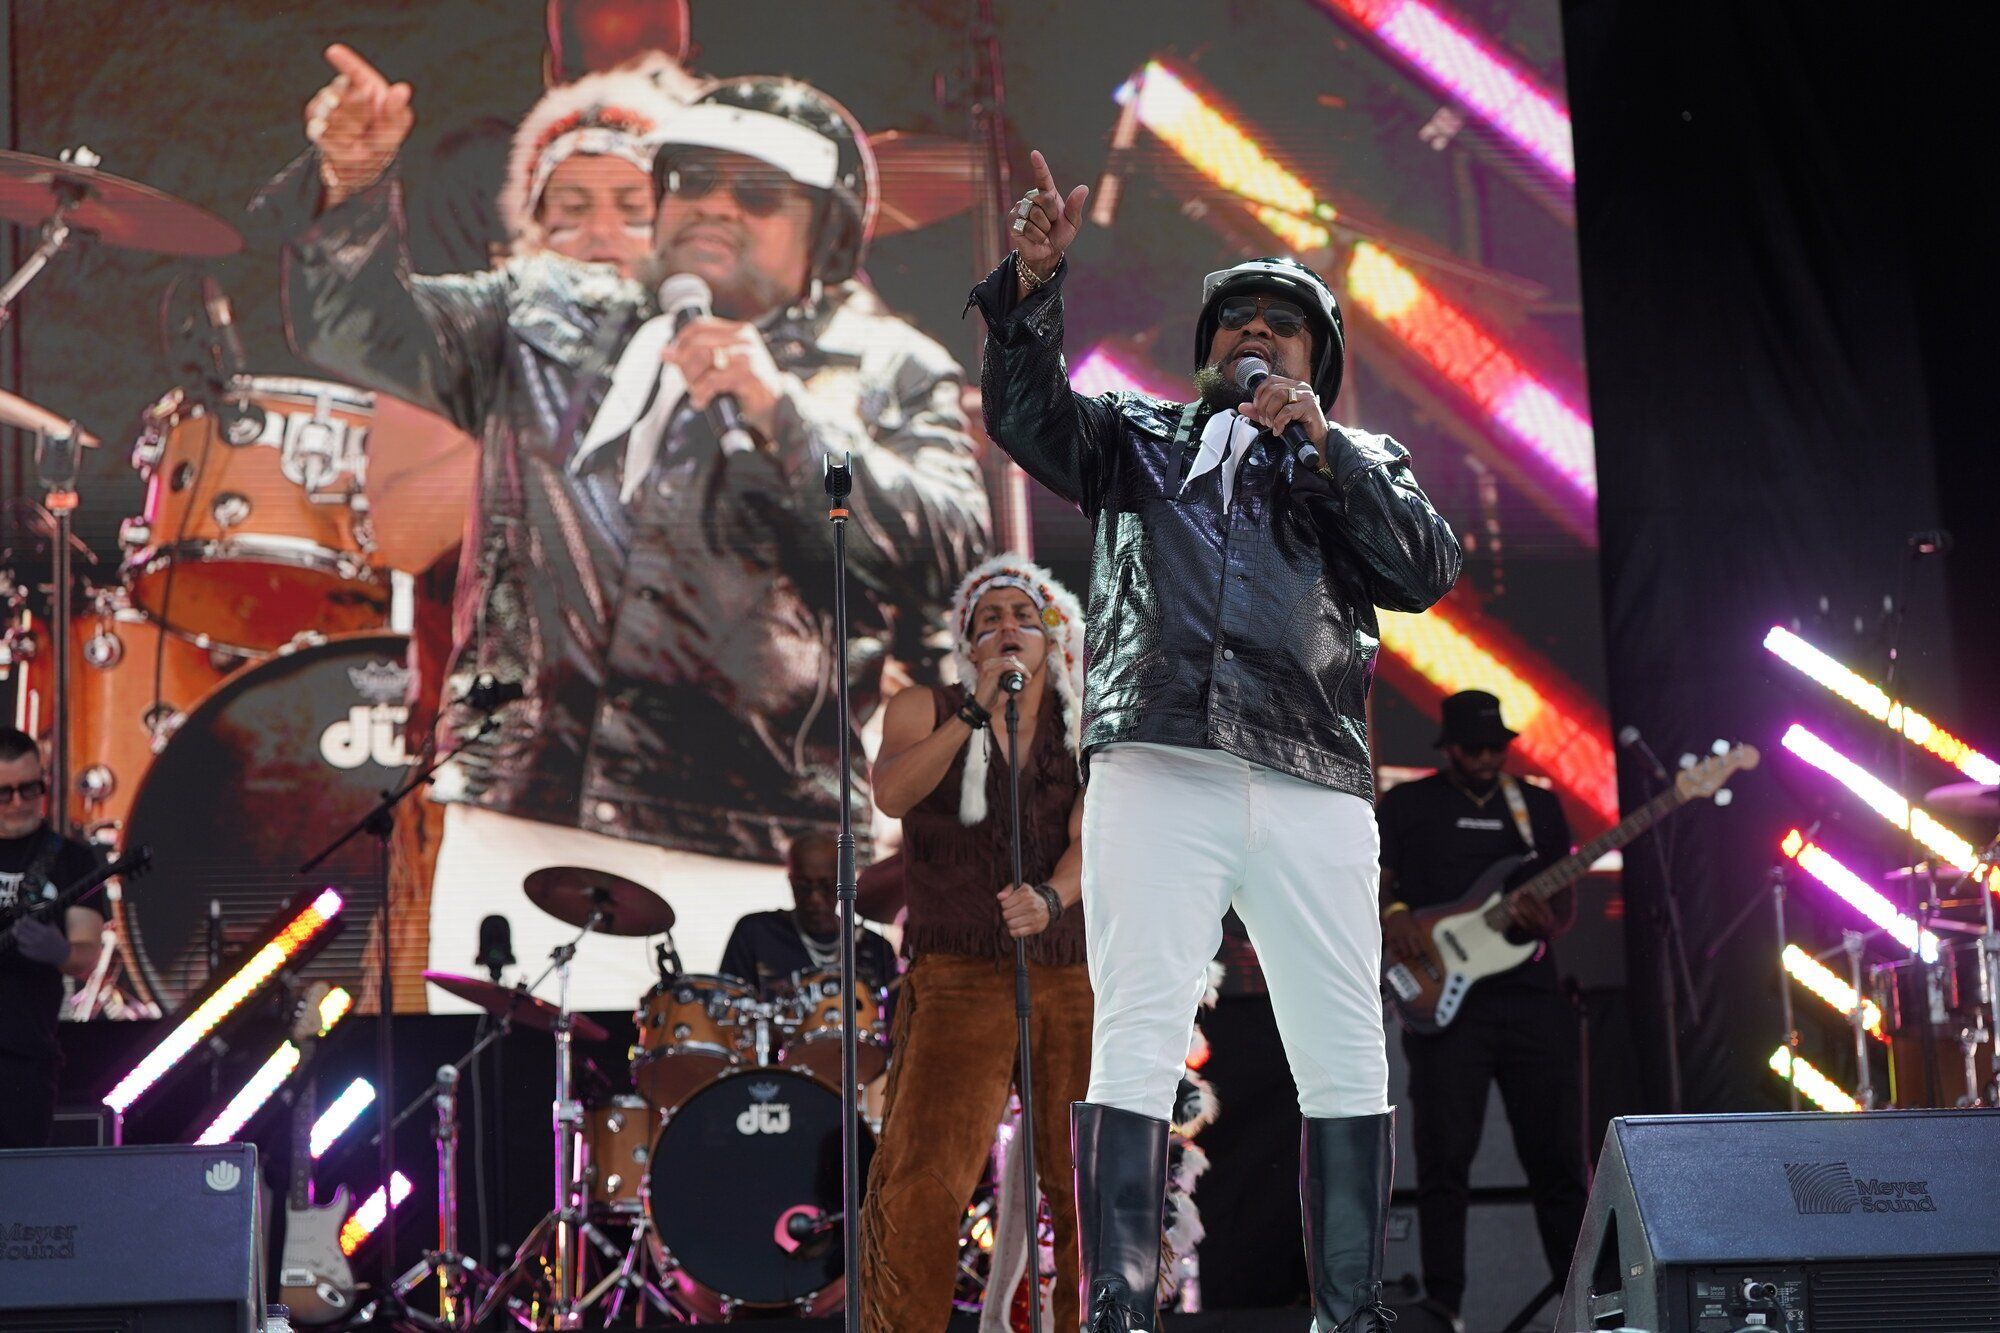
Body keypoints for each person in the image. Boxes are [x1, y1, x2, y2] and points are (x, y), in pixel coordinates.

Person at [261, 48, 989, 1008]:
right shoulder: (543, 315)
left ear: (830, 233)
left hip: (765, 853)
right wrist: (352, 183)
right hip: (524, 816)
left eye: (757, 194)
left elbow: (952, 556)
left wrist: (787, 421)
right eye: (693, 182)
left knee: (754, 1111)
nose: (715, 208)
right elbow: (353, 325)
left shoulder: (891, 368)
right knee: (503, 1103)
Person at [969, 153, 1462, 1332]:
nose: (1254, 333)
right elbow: (1024, 416)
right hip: (1158, 764)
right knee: (1136, 1032)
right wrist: (1031, 292)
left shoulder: (1359, 462)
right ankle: (1119, 1312)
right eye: (1236, 320)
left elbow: (1421, 570)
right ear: (1204, 349)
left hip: (1311, 778)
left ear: (1315, 361)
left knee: (1343, 1046)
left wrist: (1327, 449)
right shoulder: (1133, 437)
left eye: (1281, 326)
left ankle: (1347, 1314)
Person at [860, 554, 1092, 1333]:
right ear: (967, 643)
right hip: (955, 972)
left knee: (1087, 1185)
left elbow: (1097, 831)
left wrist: (1053, 896)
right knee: (923, 1182)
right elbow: (892, 792)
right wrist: (973, 710)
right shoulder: (924, 705)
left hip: (1069, 967)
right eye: (987, 618)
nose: (1006, 626)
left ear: (1054, 636)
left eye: (1024, 615)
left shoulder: (1087, 719)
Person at [1376, 690, 1587, 1330]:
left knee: (1558, 1160)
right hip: (1446, 1006)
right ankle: (1444, 1308)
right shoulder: (1408, 804)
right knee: (1444, 1162)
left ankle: (1586, 1301)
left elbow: (1564, 907)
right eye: (1475, 747)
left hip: (1531, 1002)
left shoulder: (1536, 807)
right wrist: (1395, 915)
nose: (1488, 757)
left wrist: (1544, 919)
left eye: (1497, 746)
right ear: (1449, 748)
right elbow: (1370, 875)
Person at [0, 727, 105, 1149]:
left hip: (26, 1056)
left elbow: (87, 955)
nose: (18, 803)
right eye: (4, 794)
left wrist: (58, 950)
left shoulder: (71, 859)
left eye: (30, 789)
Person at [717, 830, 896, 994]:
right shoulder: (755, 932)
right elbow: (725, 1003)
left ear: (843, 883)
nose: (814, 898)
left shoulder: (874, 947)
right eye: (803, 887)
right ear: (791, 882)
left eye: (826, 886)